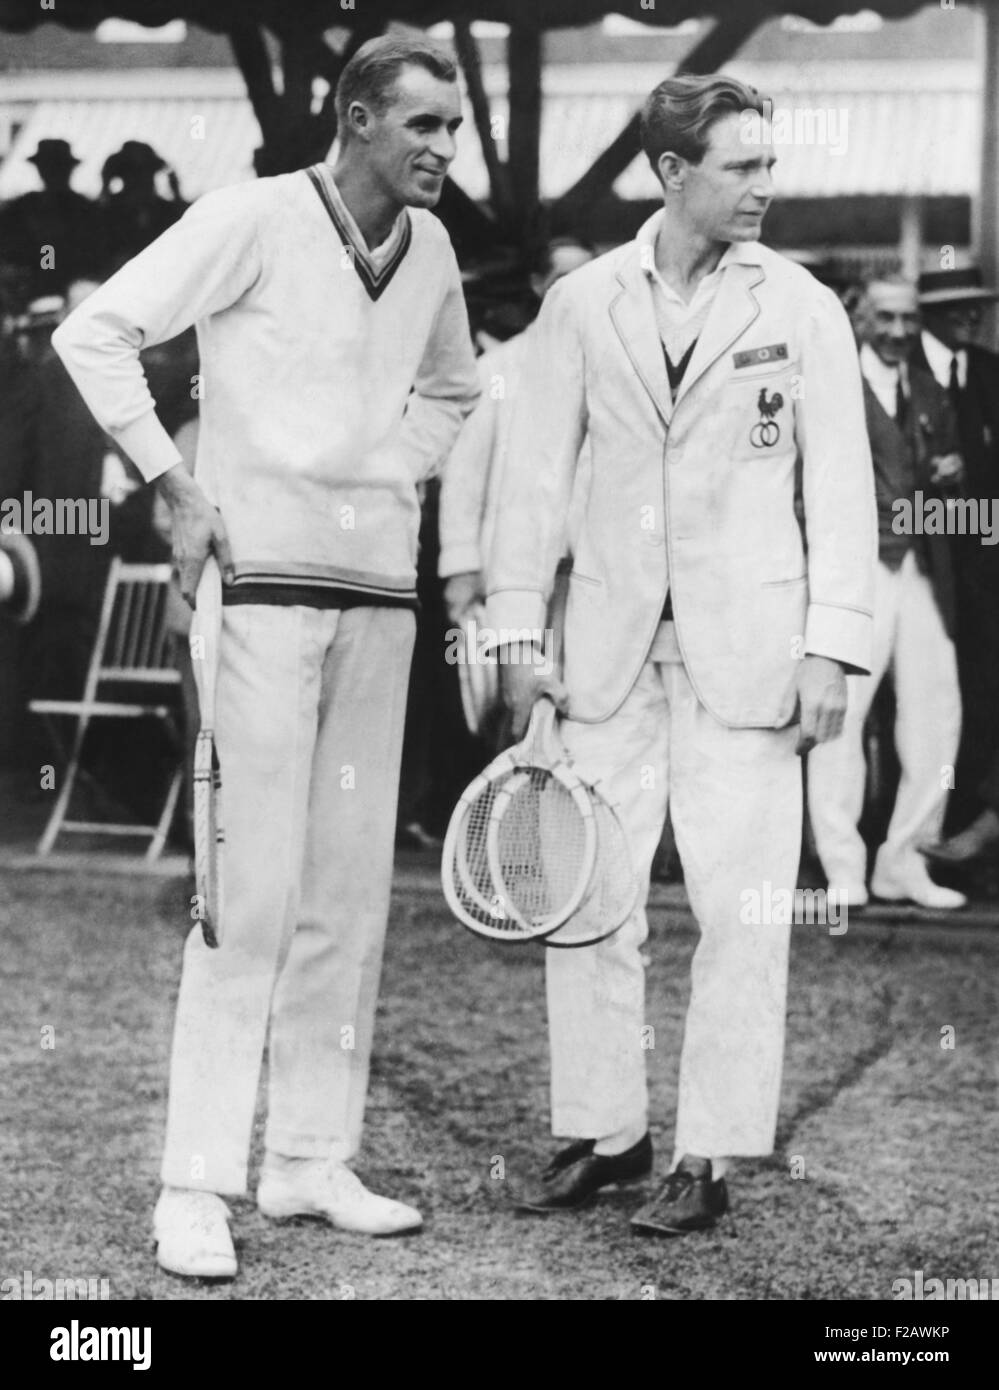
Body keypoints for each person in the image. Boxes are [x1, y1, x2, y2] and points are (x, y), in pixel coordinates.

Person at [51, 34, 479, 1280]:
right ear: (356, 119)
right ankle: (194, 1184)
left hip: (377, 600)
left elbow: (456, 388)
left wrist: (389, 465)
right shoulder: (252, 218)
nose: (446, 150)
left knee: (347, 896)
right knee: (247, 898)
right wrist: (177, 487)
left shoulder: (436, 248)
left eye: (453, 128)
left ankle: (306, 1159)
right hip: (263, 603)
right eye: (425, 128)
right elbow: (98, 335)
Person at [486, 74, 876, 1235]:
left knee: (742, 909)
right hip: (603, 652)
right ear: (671, 172)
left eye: (770, 163)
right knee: (589, 899)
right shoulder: (581, 301)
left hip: (753, 659)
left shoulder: (802, 305)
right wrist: (517, 633)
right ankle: (606, 1132)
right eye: (742, 166)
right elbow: (531, 482)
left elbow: (843, 495)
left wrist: (833, 650)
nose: (766, 186)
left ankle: (705, 1153)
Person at [808, 278, 966, 911]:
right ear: (861, 317)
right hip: (857, 567)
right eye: (886, 318)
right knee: (838, 715)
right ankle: (842, 865)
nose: (899, 332)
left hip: (922, 568)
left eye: (909, 318)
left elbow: (948, 495)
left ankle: (904, 861)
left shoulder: (929, 391)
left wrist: (949, 489)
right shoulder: (831, 383)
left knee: (936, 714)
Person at [914, 268, 999, 869]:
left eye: (977, 305)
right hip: (923, 560)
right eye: (958, 307)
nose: (971, 316)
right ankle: (909, 832)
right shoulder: (903, 376)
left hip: (986, 561)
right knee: (927, 694)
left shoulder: (990, 371)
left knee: (983, 690)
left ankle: (969, 827)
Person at [0, 139, 102, 301]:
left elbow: (95, 255)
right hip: (30, 290)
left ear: (69, 169)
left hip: (76, 288)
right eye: (49, 167)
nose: (54, 173)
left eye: (59, 166)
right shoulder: (22, 207)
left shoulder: (85, 209)